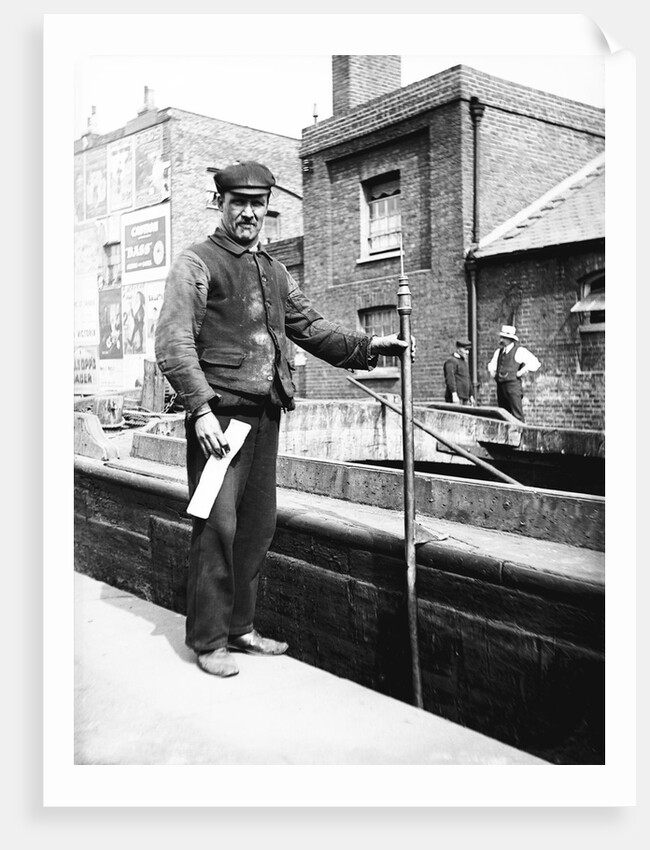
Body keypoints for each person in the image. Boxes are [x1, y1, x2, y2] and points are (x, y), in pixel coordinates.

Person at [155, 161, 412, 678]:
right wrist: (200, 409)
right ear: (220, 205)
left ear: (266, 210)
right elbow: (173, 341)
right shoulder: (196, 263)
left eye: (258, 205)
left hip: (265, 416)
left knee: (256, 526)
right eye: (238, 204)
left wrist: (370, 346)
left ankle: (240, 629)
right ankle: (208, 640)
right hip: (219, 421)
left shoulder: (272, 270)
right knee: (216, 525)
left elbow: (310, 327)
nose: (249, 213)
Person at [487, 324, 540, 421]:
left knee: (517, 415)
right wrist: (493, 372)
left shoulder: (519, 351)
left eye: (504, 337)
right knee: (503, 415)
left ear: (509, 339)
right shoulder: (498, 352)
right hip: (501, 387)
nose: (501, 339)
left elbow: (535, 362)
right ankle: (506, 436)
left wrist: (522, 371)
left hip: (513, 387)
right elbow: (492, 365)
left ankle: (520, 435)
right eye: (501, 337)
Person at [443, 339, 474, 405]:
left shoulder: (464, 362)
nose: (467, 352)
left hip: (465, 397)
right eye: (465, 350)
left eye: (468, 350)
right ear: (458, 349)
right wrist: (454, 393)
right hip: (456, 398)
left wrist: (471, 395)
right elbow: (450, 378)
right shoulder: (451, 361)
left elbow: (468, 379)